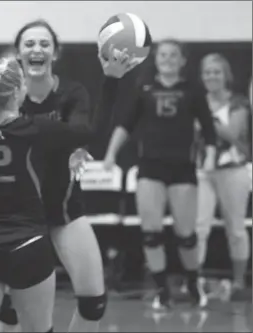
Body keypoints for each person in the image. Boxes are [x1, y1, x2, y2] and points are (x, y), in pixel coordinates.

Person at [7, 19, 137, 332]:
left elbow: (88, 131)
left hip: (64, 210)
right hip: (18, 217)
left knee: (94, 304)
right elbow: (76, 133)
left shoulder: (71, 93)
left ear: (55, 53)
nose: (36, 49)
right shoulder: (6, 98)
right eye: (29, 44)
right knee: (13, 313)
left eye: (44, 44)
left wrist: (111, 81)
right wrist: (67, 139)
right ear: (18, 54)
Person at [0, 55, 83, 332]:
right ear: (17, 91)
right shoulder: (40, 129)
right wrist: (111, 79)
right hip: (29, 243)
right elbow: (90, 132)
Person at [103, 39, 217, 310]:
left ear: (182, 60)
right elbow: (125, 124)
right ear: (156, 59)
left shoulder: (192, 90)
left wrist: (210, 157)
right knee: (151, 233)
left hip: (182, 168)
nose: (167, 59)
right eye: (163, 54)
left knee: (186, 234)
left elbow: (208, 128)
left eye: (173, 55)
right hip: (150, 168)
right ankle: (162, 290)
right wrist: (110, 154)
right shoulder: (144, 89)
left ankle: (192, 282)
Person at [195, 53, 251, 299]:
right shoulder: (196, 101)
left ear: (225, 75)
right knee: (198, 228)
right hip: (202, 171)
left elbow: (232, 133)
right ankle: (193, 280)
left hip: (234, 171)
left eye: (216, 71)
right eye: (207, 72)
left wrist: (206, 117)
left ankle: (239, 282)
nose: (212, 76)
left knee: (236, 228)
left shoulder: (238, 102)